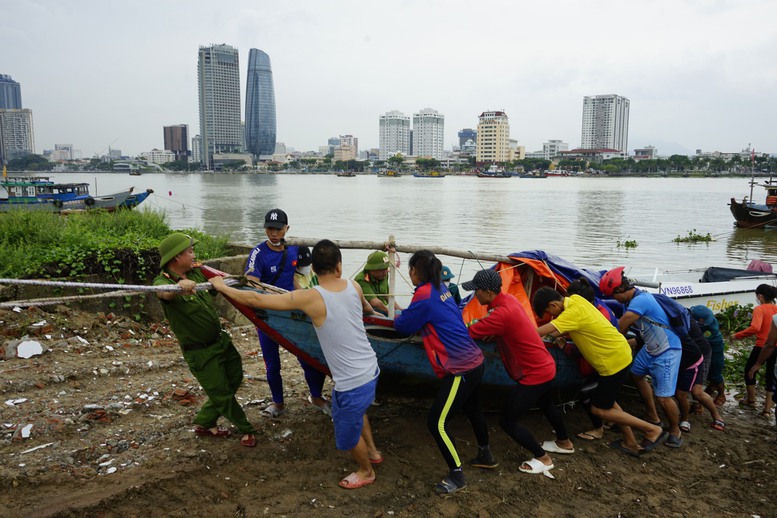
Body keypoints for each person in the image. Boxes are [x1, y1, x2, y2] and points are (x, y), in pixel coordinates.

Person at [211, 239, 382, 489]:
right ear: (339, 267)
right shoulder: (354, 286)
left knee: (348, 426)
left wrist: (221, 287)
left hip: (351, 380)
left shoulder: (310, 297)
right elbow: (366, 310)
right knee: (358, 412)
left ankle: (366, 472)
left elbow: (256, 301)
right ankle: (374, 454)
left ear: (312, 269)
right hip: (371, 368)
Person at [394, 250, 492, 494]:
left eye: (411, 269)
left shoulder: (425, 294)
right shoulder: (441, 289)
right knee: (472, 409)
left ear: (417, 271)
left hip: (461, 368)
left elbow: (403, 326)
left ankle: (457, 476)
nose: (410, 274)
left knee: (436, 422)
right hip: (476, 361)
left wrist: (393, 313)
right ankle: (486, 454)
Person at [533, 287, 667, 457]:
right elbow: (563, 327)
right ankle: (630, 443)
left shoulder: (571, 313)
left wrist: (519, 334)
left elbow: (544, 330)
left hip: (613, 362)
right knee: (608, 402)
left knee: (598, 409)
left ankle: (652, 429)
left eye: (549, 311)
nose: (551, 315)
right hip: (619, 353)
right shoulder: (575, 299)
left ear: (553, 304)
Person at [153, 232, 257, 447]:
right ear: (176, 258)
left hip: (221, 342)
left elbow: (223, 279)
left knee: (235, 378)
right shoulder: (164, 281)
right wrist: (178, 288)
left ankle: (205, 421)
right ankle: (246, 429)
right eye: (190, 252)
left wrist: (230, 280)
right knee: (221, 393)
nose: (194, 255)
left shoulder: (198, 273)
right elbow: (162, 294)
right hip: (200, 352)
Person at [465, 269, 573, 475]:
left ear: (488, 292)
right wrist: (495, 333)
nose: (474, 295)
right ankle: (564, 442)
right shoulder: (509, 301)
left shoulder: (500, 313)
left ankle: (543, 457)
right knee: (546, 403)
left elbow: (466, 332)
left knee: (507, 420)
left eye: (476, 291)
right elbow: (500, 325)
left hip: (534, 374)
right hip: (545, 366)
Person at [245, 209, 329, 418]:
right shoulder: (258, 253)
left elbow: (302, 277)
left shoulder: (295, 248)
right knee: (272, 362)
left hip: (292, 312)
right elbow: (251, 283)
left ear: (287, 229)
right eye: (270, 229)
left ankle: (317, 396)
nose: (274, 233)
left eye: (278, 229)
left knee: (307, 356)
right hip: (268, 314)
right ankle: (278, 402)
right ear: (265, 229)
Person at [599, 267, 684, 448]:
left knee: (664, 397)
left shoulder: (641, 300)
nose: (614, 299)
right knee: (636, 375)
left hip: (667, 350)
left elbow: (620, 327)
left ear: (621, 289)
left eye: (614, 296)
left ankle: (675, 430)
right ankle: (653, 417)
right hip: (650, 349)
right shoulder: (631, 300)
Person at [732, 284, 777, 415]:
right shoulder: (776, 309)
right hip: (776, 347)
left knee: (749, 371)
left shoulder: (760, 309)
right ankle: (767, 409)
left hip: (762, 346)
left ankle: (751, 401)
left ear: (760, 296)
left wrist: (737, 335)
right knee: (771, 376)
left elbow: (755, 328)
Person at [690, 305, 726, 406]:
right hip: (702, 349)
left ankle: (721, 394)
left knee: (715, 373)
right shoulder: (707, 317)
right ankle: (710, 388)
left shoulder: (710, 331)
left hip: (714, 350)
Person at [356, 250, 402, 315]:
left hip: (382, 308)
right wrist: (391, 313)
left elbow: (387, 295)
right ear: (372, 269)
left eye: (386, 269)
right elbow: (374, 302)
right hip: (367, 312)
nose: (385, 272)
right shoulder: (362, 279)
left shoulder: (383, 276)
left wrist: (398, 308)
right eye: (382, 270)